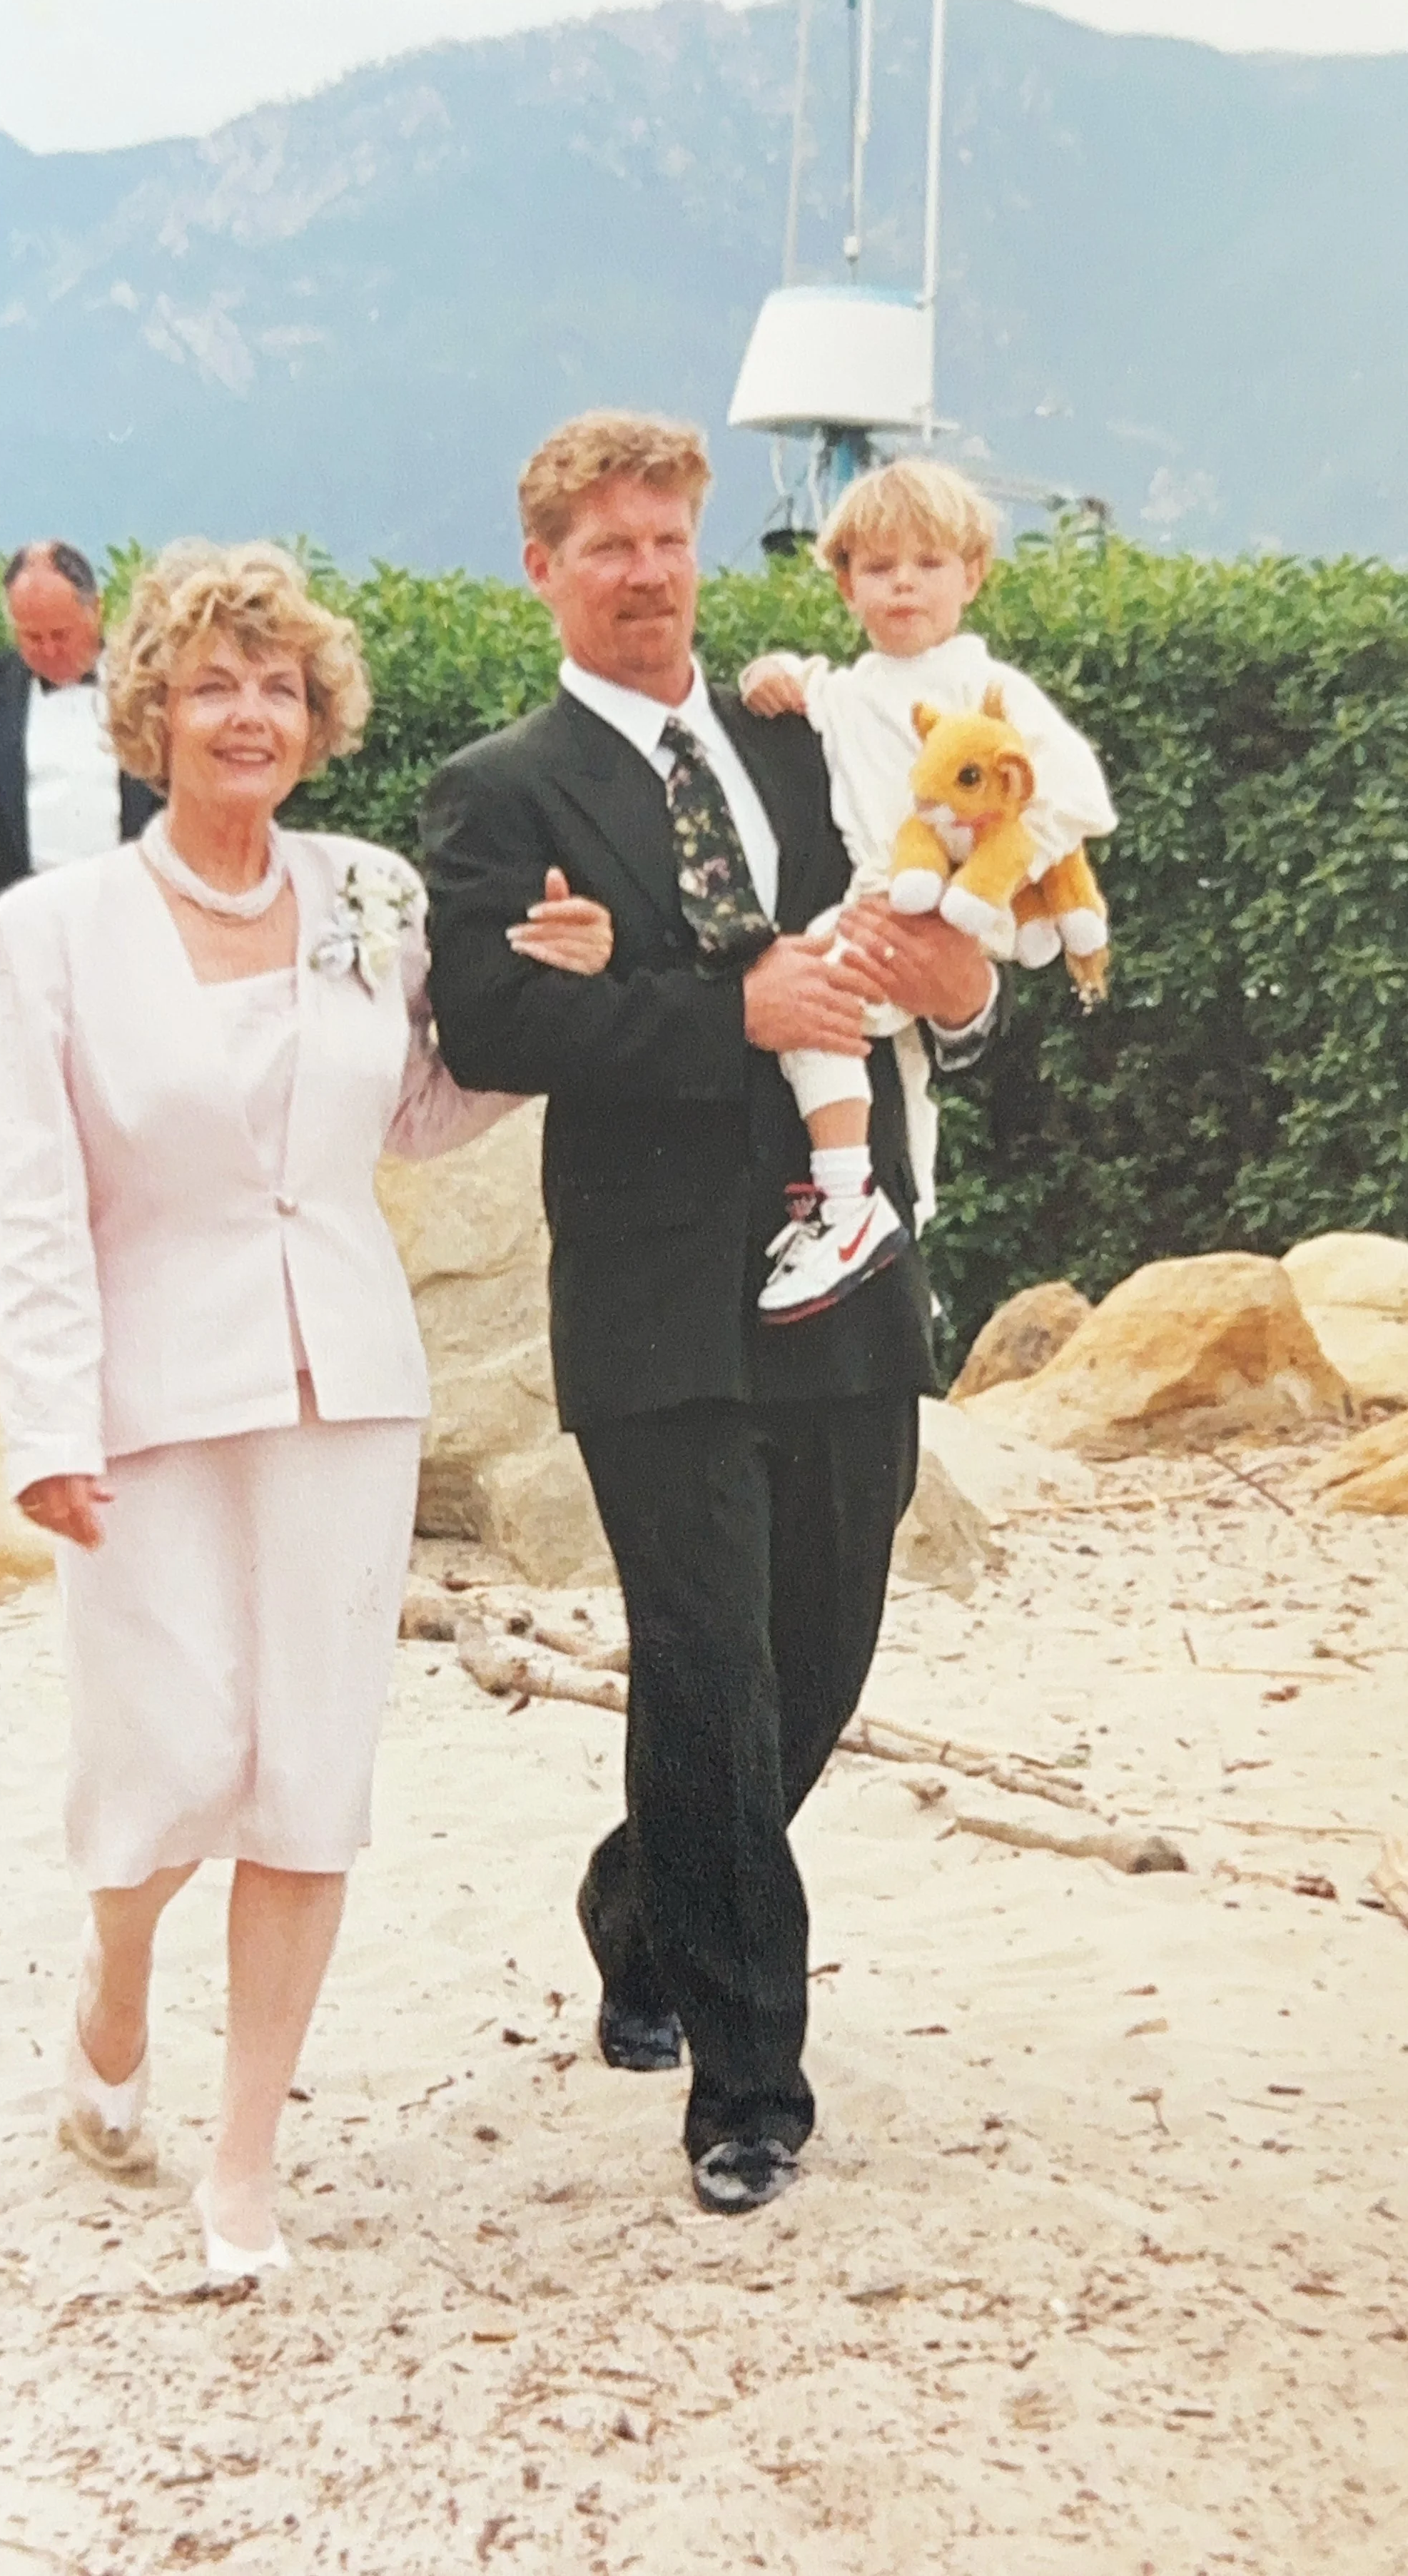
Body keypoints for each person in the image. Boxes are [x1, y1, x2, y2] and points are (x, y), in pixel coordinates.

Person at [0, 538, 613, 2285]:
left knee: (307, 1772)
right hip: (147, 1395)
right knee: (168, 1754)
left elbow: (415, 1109)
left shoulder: (373, 896)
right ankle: (113, 1993)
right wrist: (47, 1424)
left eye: (277, 684)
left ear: (315, 715)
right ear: (150, 712)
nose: (246, 712)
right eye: (209, 682)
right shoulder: (46, 932)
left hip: (346, 1382)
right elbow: (34, 1203)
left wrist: (544, 996)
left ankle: (244, 2158)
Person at [421, 411, 1003, 2217]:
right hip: (657, 1292)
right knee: (709, 1668)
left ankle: (635, 1898)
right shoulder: (499, 788)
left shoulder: (803, 727)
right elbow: (491, 1025)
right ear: (545, 570)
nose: (650, 572)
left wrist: (968, 986)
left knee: (818, 1659)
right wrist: (716, 1016)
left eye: (670, 539)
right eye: (609, 546)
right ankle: (750, 2083)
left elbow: (937, 912)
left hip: (846, 1261)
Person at [739, 458, 1116, 1322]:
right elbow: (800, 690)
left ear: (973, 574)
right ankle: (868, 1212)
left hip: (951, 911)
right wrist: (771, 673)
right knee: (824, 1012)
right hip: (880, 901)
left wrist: (979, 885)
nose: (903, 583)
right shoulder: (844, 691)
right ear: (843, 585)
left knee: (817, 1006)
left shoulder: (989, 691)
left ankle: (849, 1204)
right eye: (877, 567)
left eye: (928, 564)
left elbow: (1074, 795)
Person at [0, 539, 161, 1333]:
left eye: (62, 634)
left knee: (134, 1111)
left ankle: (134, 1299)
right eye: (31, 636)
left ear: (97, 612)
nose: (49, 652)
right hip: (15, 937)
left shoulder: (153, 690)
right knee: (11, 1121)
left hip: (129, 932)